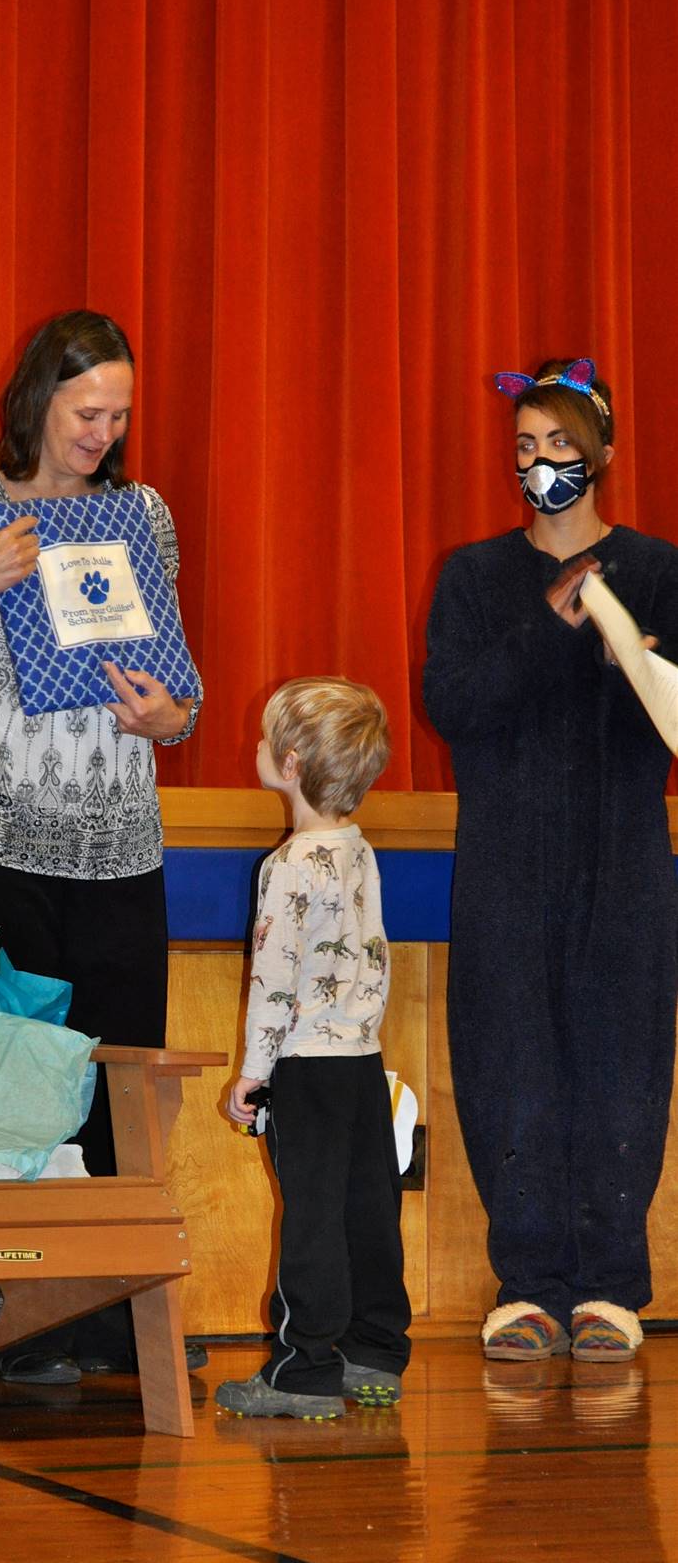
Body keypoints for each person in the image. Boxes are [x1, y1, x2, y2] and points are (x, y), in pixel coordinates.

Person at [0, 308, 202, 1384]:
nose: (101, 433)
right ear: (36, 401)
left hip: (117, 834)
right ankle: (12, 1320)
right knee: (8, 1085)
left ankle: (108, 1320)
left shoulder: (139, 512)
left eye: (117, 415)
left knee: (116, 1078)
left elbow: (182, 687)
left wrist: (170, 718)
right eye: (84, 412)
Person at [423, 358, 678, 1363]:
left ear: (604, 453)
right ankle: (527, 1282)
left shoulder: (660, 568)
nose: (543, 465)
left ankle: (612, 1284)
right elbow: (455, 707)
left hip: (623, 853)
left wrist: (634, 655)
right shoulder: (476, 576)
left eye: (562, 447)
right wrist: (549, 626)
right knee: (509, 1060)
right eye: (527, 447)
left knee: (622, 1061)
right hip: (506, 861)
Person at [216, 678, 410, 1421]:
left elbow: (273, 979)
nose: (256, 750)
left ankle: (304, 1371)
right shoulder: (357, 850)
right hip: (360, 1063)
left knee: (312, 1216)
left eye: (266, 741)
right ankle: (375, 1353)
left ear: (290, 764)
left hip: (303, 1065)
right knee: (368, 1208)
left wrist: (253, 1074)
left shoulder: (290, 864)